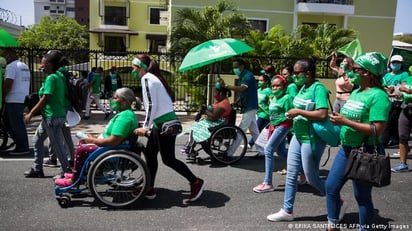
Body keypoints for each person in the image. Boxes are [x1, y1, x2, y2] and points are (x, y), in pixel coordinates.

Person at [326, 52, 391, 231]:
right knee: (331, 188)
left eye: (354, 69)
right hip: (346, 149)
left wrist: (345, 122)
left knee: (362, 196)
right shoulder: (356, 91)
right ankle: (332, 225)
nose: (349, 71)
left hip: (366, 151)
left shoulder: (379, 97)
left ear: (367, 73)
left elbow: (377, 130)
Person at [132, 54, 205, 202]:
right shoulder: (153, 78)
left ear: (140, 67)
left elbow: (151, 106)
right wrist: (148, 125)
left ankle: (195, 182)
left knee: (168, 159)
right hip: (161, 124)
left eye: (134, 68)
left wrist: (145, 126)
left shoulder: (147, 78)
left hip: (165, 125)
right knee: (151, 155)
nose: (133, 71)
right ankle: (149, 188)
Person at [266, 57, 328, 222]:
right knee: (291, 175)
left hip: (311, 138)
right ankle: (287, 211)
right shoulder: (302, 88)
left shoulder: (318, 88)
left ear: (307, 74)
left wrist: (299, 112)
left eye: (296, 73)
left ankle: (336, 200)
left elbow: (322, 114)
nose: (293, 76)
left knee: (312, 177)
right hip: (298, 136)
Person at [55, 87, 138, 186]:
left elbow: (114, 141)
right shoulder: (124, 114)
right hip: (112, 146)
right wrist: (94, 137)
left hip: (112, 148)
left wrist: (93, 140)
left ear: (124, 100)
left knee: (82, 150)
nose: (112, 100)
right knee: (83, 142)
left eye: (115, 98)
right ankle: (78, 174)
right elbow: (110, 134)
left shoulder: (124, 117)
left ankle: (75, 179)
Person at [23, 50, 72, 178]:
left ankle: (66, 172)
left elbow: (45, 98)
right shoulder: (59, 76)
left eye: (42, 63)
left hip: (53, 117)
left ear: (49, 64)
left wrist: (31, 113)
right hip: (50, 117)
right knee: (37, 140)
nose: (41, 66)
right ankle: (37, 169)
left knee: (58, 146)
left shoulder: (52, 78)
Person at [252, 75, 294, 193]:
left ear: (284, 87)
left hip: (284, 125)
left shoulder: (287, 98)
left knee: (268, 149)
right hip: (274, 126)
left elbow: (291, 115)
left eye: (278, 85)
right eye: (273, 86)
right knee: (280, 151)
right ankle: (300, 169)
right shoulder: (273, 98)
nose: (275, 88)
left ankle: (268, 183)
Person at [218, 58, 260, 158]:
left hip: (250, 106)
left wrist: (226, 86)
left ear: (242, 66)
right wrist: (235, 102)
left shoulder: (248, 76)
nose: (234, 69)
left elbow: (243, 88)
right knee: (254, 131)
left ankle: (229, 153)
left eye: (236, 67)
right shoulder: (242, 76)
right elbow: (243, 93)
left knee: (241, 130)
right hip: (248, 106)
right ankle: (262, 151)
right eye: (233, 67)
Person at [181, 87, 232, 156]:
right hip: (214, 121)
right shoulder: (220, 102)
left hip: (219, 122)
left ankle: (189, 147)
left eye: (216, 92)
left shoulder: (224, 104)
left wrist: (205, 111)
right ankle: (190, 146)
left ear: (221, 93)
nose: (215, 95)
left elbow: (214, 117)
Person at [2, 48, 30, 155]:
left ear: (9, 56)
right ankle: (20, 143)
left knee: (15, 123)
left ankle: (22, 147)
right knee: (14, 122)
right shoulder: (24, 66)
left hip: (13, 98)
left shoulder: (11, 66)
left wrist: (3, 97)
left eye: (4, 56)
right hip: (22, 97)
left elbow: (8, 84)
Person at [381, 55, 408, 147]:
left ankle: (383, 142)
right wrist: (387, 89)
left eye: (398, 62)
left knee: (389, 122)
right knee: (393, 122)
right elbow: (383, 86)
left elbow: (403, 88)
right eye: (394, 62)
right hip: (386, 101)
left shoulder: (404, 74)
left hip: (397, 102)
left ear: (401, 64)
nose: (395, 64)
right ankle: (395, 139)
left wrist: (393, 90)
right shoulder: (387, 75)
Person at [392, 65, 412, 172]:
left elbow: (407, 91)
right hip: (405, 109)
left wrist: (409, 91)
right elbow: (400, 92)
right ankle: (403, 164)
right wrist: (394, 92)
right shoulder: (407, 79)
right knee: (403, 136)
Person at [248, 74, 272, 158]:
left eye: (261, 80)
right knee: (258, 131)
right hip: (258, 113)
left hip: (266, 114)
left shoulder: (269, 91)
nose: (259, 82)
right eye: (259, 80)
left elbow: (272, 101)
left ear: (266, 82)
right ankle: (260, 149)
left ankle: (251, 144)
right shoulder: (258, 90)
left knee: (256, 130)